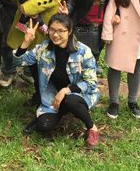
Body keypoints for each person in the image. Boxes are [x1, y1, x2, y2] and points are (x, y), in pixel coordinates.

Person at [15, 15, 100, 147]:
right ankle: (58, 112)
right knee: (43, 126)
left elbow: (91, 83)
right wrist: (26, 42)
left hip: (80, 94)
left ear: (69, 31)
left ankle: (92, 128)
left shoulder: (83, 51)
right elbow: (20, 62)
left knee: (70, 100)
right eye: (52, 30)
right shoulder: (44, 48)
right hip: (52, 95)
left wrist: (66, 90)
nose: (55, 35)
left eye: (60, 31)